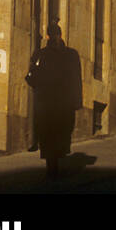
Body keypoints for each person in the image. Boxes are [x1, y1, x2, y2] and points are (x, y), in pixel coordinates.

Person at [25, 22, 82, 179]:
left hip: (46, 103)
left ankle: (52, 166)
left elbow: (31, 77)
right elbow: (77, 80)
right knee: (61, 133)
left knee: (49, 134)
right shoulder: (71, 55)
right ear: (61, 35)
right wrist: (77, 102)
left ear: (48, 36)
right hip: (63, 104)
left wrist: (38, 84)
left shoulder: (40, 54)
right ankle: (55, 162)